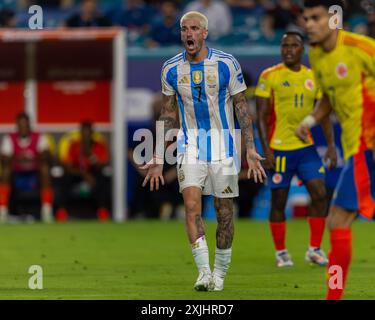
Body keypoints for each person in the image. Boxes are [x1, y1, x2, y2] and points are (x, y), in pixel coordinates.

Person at [141, 11, 266, 292]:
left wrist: (250, 147)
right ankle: (203, 272)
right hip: (190, 145)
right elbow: (168, 114)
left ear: (205, 33)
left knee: (224, 213)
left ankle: (220, 275)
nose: (188, 34)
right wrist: (159, 156)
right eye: (184, 29)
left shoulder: (226, 63)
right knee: (192, 205)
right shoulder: (171, 68)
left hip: (223, 145)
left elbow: (242, 107)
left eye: (194, 28)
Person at [296, 0, 375, 300]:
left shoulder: (361, 47)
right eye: (306, 18)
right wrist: (310, 119)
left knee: (337, 221)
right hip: (358, 149)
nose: (310, 24)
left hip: (368, 147)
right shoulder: (316, 55)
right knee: (337, 222)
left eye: (316, 18)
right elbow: (329, 98)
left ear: (333, 18)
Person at [256, 31, 338, 267]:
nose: (288, 50)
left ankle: (314, 249)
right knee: (279, 200)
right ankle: (281, 252)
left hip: (306, 148)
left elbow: (323, 115)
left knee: (320, 193)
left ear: (302, 50)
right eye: (285, 46)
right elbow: (262, 116)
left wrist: (331, 146)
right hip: (279, 149)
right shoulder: (269, 75)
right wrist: (267, 150)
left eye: (293, 46)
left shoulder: (314, 77)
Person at [0, 112, 54, 223]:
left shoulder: (39, 137)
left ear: (29, 125)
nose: (23, 127)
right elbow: (5, 158)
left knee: (45, 169)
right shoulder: (9, 138)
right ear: (17, 126)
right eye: (21, 125)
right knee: (5, 170)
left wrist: (24, 158)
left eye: (25, 124)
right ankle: (2, 211)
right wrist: (22, 158)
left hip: (34, 176)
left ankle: (47, 211)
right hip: (16, 176)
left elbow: (45, 155)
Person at [55, 122, 111, 221]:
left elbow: (102, 164)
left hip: (94, 173)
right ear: (80, 134)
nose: (86, 136)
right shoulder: (74, 146)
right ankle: (61, 211)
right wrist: (83, 174)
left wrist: (90, 155)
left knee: (102, 177)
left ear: (92, 133)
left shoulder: (99, 146)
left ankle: (102, 210)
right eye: (83, 133)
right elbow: (68, 166)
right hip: (77, 173)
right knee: (64, 178)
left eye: (88, 133)